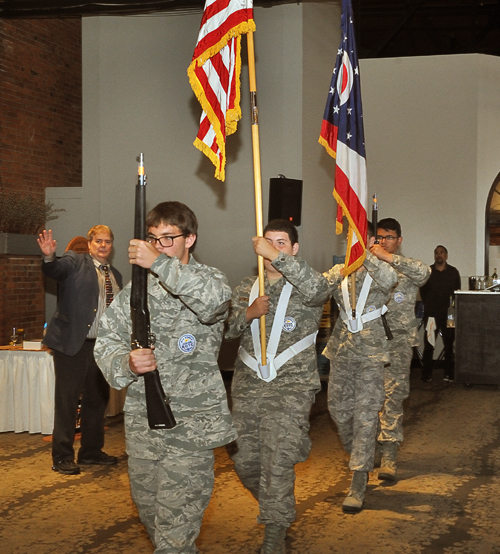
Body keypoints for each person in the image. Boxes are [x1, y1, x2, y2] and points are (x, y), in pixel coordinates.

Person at [94, 201, 236, 554]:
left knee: (174, 534)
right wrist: (127, 362)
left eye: (168, 238)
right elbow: (106, 341)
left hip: (191, 429)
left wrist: (157, 263)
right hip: (144, 428)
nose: (160, 246)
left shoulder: (209, 280)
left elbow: (214, 303)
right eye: (154, 239)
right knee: (152, 518)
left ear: (190, 239)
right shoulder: (136, 293)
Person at [225, 219, 330, 554]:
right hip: (247, 387)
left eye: (281, 243)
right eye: (267, 243)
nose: (272, 249)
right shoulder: (246, 287)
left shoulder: (306, 285)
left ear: (294, 249)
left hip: (291, 387)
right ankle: (278, 510)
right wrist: (248, 313)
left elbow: (320, 290)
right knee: (247, 463)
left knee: (278, 461)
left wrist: (278, 257)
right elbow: (225, 330)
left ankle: (274, 535)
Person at [322, 223, 397, 514]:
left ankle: (358, 480)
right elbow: (317, 288)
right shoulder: (340, 269)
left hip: (370, 353)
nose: (353, 240)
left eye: (359, 235)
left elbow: (390, 279)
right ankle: (362, 454)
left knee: (365, 417)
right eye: (349, 235)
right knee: (338, 412)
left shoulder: (380, 268)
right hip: (341, 350)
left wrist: (365, 256)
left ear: (369, 239)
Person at [37, 225, 122, 475]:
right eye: (98, 241)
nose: (103, 245)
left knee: (97, 401)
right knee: (67, 401)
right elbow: (54, 269)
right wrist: (49, 256)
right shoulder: (75, 261)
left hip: (101, 347)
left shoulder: (115, 274)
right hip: (72, 344)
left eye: (107, 241)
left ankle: (91, 452)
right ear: (90, 243)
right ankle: (62, 456)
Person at [370, 218, 430, 482]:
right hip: (370, 344)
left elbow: (425, 272)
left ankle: (389, 456)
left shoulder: (408, 269)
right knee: (369, 399)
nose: (384, 241)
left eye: (390, 237)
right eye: (380, 237)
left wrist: (387, 257)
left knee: (392, 398)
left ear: (399, 240)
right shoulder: (369, 267)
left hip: (399, 344)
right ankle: (369, 449)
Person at [419, 245, 461, 382]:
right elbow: (423, 292)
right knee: (429, 344)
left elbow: (457, 292)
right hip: (431, 314)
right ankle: (426, 375)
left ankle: (448, 374)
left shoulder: (453, 272)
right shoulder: (428, 272)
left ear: (446, 256)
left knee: (449, 345)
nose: (439, 255)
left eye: (442, 253)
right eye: (436, 253)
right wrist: (430, 305)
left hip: (449, 315)